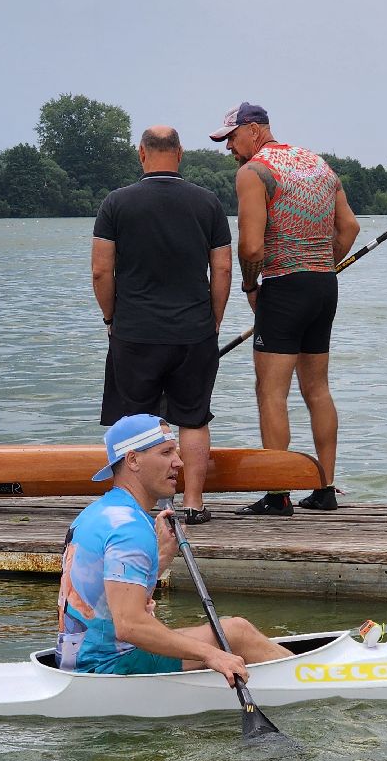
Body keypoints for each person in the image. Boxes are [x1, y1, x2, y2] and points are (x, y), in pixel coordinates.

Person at [211, 102, 360, 516]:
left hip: (282, 288)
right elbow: (349, 227)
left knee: (271, 391)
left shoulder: (254, 171)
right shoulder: (318, 165)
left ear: (253, 130)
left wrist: (250, 286)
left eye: (231, 138)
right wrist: (320, 264)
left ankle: (278, 494)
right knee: (318, 389)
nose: (229, 148)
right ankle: (325, 489)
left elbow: (251, 247)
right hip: (323, 286)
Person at [56, 414, 285, 681]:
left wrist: (162, 555)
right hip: (109, 666)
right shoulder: (130, 528)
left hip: (77, 659)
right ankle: (312, 679)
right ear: (133, 460)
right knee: (237, 633)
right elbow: (129, 626)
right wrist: (211, 654)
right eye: (166, 453)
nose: (179, 462)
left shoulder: (97, 513)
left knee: (231, 632)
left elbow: (111, 600)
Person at [91, 126, 231, 524]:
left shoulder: (116, 203)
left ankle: (138, 507)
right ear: (180, 154)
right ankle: (194, 504)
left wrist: (111, 318)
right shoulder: (208, 203)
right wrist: (213, 320)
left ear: (141, 153)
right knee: (194, 417)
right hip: (194, 331)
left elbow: (101, 271)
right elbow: (222, 268)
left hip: (135, 332)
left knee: (137, 423)